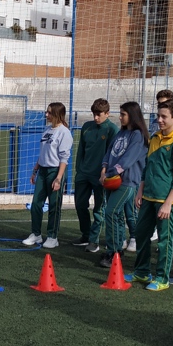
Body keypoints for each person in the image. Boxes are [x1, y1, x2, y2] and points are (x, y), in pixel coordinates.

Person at [130, 99, 173, 289]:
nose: (159, 120)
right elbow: (147, 168)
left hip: (165, 201)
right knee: (141, 234)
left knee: (164, 240)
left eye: (164, 117)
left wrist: (168, 203)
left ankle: (162, 278)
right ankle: (141, 272)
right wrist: (140, 191)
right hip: (148, 197)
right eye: (158, 116)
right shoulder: (154, 138)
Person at [96, 101, 149, 268]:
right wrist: (104, 169)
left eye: (123, 114)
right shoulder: (121, 133)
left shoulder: (138, 136)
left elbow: (127, 160)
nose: (120, 117)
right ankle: (117, 249)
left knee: (110, 212)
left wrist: (110, 173)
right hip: (111, 180)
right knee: (117, 215)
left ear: (132, 115)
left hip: (126, 182)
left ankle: (112, 251)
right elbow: (109, 152)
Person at [23, 102, 73, 249]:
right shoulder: (47, 130)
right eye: (47, 112)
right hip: (43, 171)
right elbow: (43, 153)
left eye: (49, 112)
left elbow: (64, 157)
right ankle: (36, 234)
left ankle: (52, 236)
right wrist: (35, 170)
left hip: (55, 171)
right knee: (36, 204)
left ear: (57, 114)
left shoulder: (64, 132)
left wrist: (59, 177)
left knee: (54, 206)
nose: (46, 115)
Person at [73, 98, 118, 251]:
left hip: (101, 176)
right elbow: (81, 150)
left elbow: (113, 154)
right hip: (83, 174)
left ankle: (94, 240)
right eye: (94, 114)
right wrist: (79, 170)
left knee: (99, 209)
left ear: (107, 113)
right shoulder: (86, 127)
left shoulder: (112, 129)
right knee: (80, 205)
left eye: (99, 115)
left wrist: (106, 174)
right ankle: (85, 235)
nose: (95, 118)